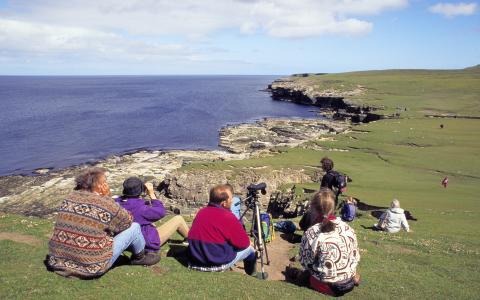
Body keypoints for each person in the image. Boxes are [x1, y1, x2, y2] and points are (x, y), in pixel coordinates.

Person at [46, 168, 154, 279]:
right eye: (105, 182)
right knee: (135, 227)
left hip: (57, 262)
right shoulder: (104, 203)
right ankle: (139, 257)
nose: (107, 184)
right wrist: (107, 198)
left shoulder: (69, 198)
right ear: (99, 185)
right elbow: (127, 222)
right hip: (90, 268)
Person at [299, 189, 360, 297]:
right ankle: (351, 277)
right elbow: (355, 256)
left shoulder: (312, 232)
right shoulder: (347, 227)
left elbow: (305, 262)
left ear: (313, 207)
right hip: (349, 281)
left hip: (330, 286)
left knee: (304, 275)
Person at [187, 184, 258, 276]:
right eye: (231, 199)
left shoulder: (201, 212)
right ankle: (252, 274)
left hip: (195, 261)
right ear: (223, 203)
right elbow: (243, 244)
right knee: (250, 250)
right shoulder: (228, 217)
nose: (232, 201)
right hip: (215, 264)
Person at [115, 177, 190, 263]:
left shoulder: (117, 203)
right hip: (146, 243)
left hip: (127, 243)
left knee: (149, 224)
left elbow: (122, 199)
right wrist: (151, 194)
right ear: (140, 190)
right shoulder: (141, 208)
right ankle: (193, 241)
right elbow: (161, 212)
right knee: (178, 219)